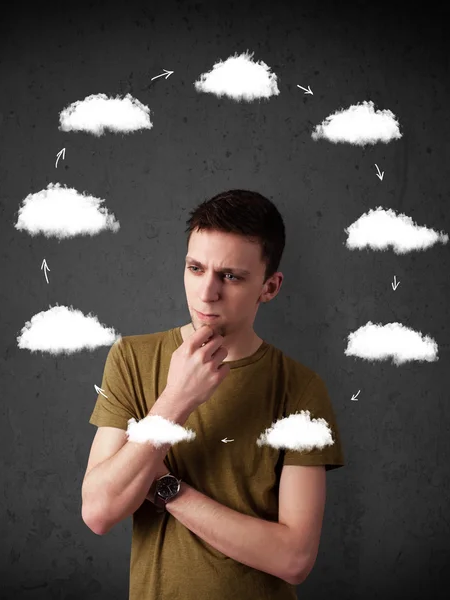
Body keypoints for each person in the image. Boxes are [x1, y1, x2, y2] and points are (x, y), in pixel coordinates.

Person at [81, 189, 345, 600]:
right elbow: (99, 512)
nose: (207, 293)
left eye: (231, 276)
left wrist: (167, 488)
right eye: (195, 268)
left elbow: (295, 559)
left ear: (269, 287)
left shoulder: (300, 389)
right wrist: (176, 401)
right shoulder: (132, 359)